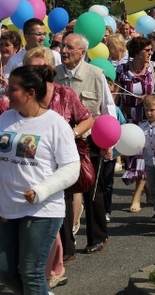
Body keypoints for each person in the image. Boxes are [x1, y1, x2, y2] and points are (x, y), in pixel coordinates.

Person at [0, 65, 80, 294]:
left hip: (42, 210)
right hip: (7, 208)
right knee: (1, 268)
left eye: (13, 89)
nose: (7, 93)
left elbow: (71, 168)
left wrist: (42, 190)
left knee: (32, 271)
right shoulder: (6, 119)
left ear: (30, 92)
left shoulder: (55, 124)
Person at [54, 32, 116, 255]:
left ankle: (98, 236)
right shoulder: (54, 74)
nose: (64, 51)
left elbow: (108, 110)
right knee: (64, 191)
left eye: (69, 47)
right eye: (62, 46)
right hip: (61, 142)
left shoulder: (96, 74)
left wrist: (109, 143)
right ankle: (66, 245)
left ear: (82, 53)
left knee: (92, 189)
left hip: (89, 140)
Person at [116, 35, 155, 213]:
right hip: (129, 122)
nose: (150, 53)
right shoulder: (122, 70)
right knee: (132, 158)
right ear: (137, 52)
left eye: (151, 50)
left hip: (149, 121)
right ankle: (148, 189)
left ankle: (135, 197)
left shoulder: (154, 68)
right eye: (147, 50)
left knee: (143, 159)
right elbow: (115, 94)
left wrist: (153, 99)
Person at [140, 94, 155, 220]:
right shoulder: (142, 126)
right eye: (146, 110)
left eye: (152, 110)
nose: (149, 113)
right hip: (149, 163)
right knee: (152, 190)